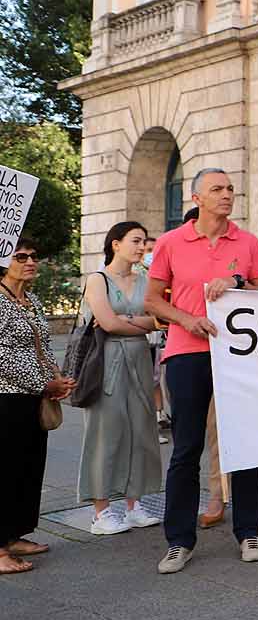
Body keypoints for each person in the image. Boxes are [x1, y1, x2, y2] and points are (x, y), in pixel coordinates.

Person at [145, 168, 258, 573]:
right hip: (187, 352)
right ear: (195, 197)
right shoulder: (170, 242)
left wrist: (235, 279)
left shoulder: (247, 242)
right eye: (217, 189)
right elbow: (152, 301)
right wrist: (186, 319)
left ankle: (249, 530)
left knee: (246, 443)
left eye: (231, 188)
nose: (227, 194)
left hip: (238, 354)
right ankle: (179, 540)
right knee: (186, 447)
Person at [79, 222, 164, 535]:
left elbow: (159, 319)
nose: (142, 247)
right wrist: (144, 323)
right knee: (105, 433)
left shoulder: (146, 280)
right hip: (107, 363)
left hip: (140, 359)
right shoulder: (97, 279)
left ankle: (134, 505)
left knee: (141, 430)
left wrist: (130, 321)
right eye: (136, 240)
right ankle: (100, 512)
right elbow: (108, 323)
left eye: (144, 241)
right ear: (115, 244)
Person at [0, 235, 76, 574]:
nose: (31, 261)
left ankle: (14, 534)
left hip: (34, 397)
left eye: (34, 255)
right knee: (5, 471)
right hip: (6, 398)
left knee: (28, 468)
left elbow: (41, 345)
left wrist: (56, 380)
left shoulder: (30, 300)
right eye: (21, 256)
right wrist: (42, 383)